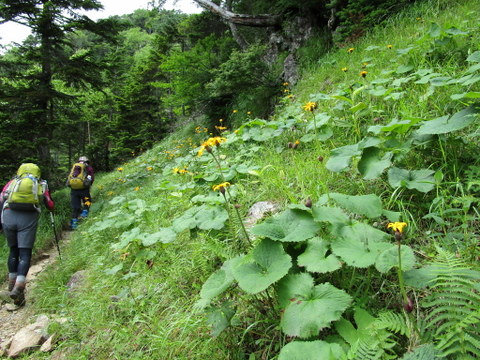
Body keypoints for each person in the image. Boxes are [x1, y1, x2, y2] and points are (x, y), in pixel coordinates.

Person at [0, 163, 55, 307]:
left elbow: (2, 198)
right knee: (25, 253)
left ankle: (11, 286)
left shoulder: (13, 182)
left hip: (8, 216)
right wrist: (50, 207)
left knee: (13, 251)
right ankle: (19, 285)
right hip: (28, 219)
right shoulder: (41, 183)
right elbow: (49, 203)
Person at [67, 156, 94, 230]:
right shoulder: (88, 168)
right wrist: (88, 184)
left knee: (75, 206)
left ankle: (74, 224)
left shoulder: (75, 167)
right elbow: (91, 178)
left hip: (74, 190)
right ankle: (85, 213)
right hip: (84, 189)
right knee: (87, 201)